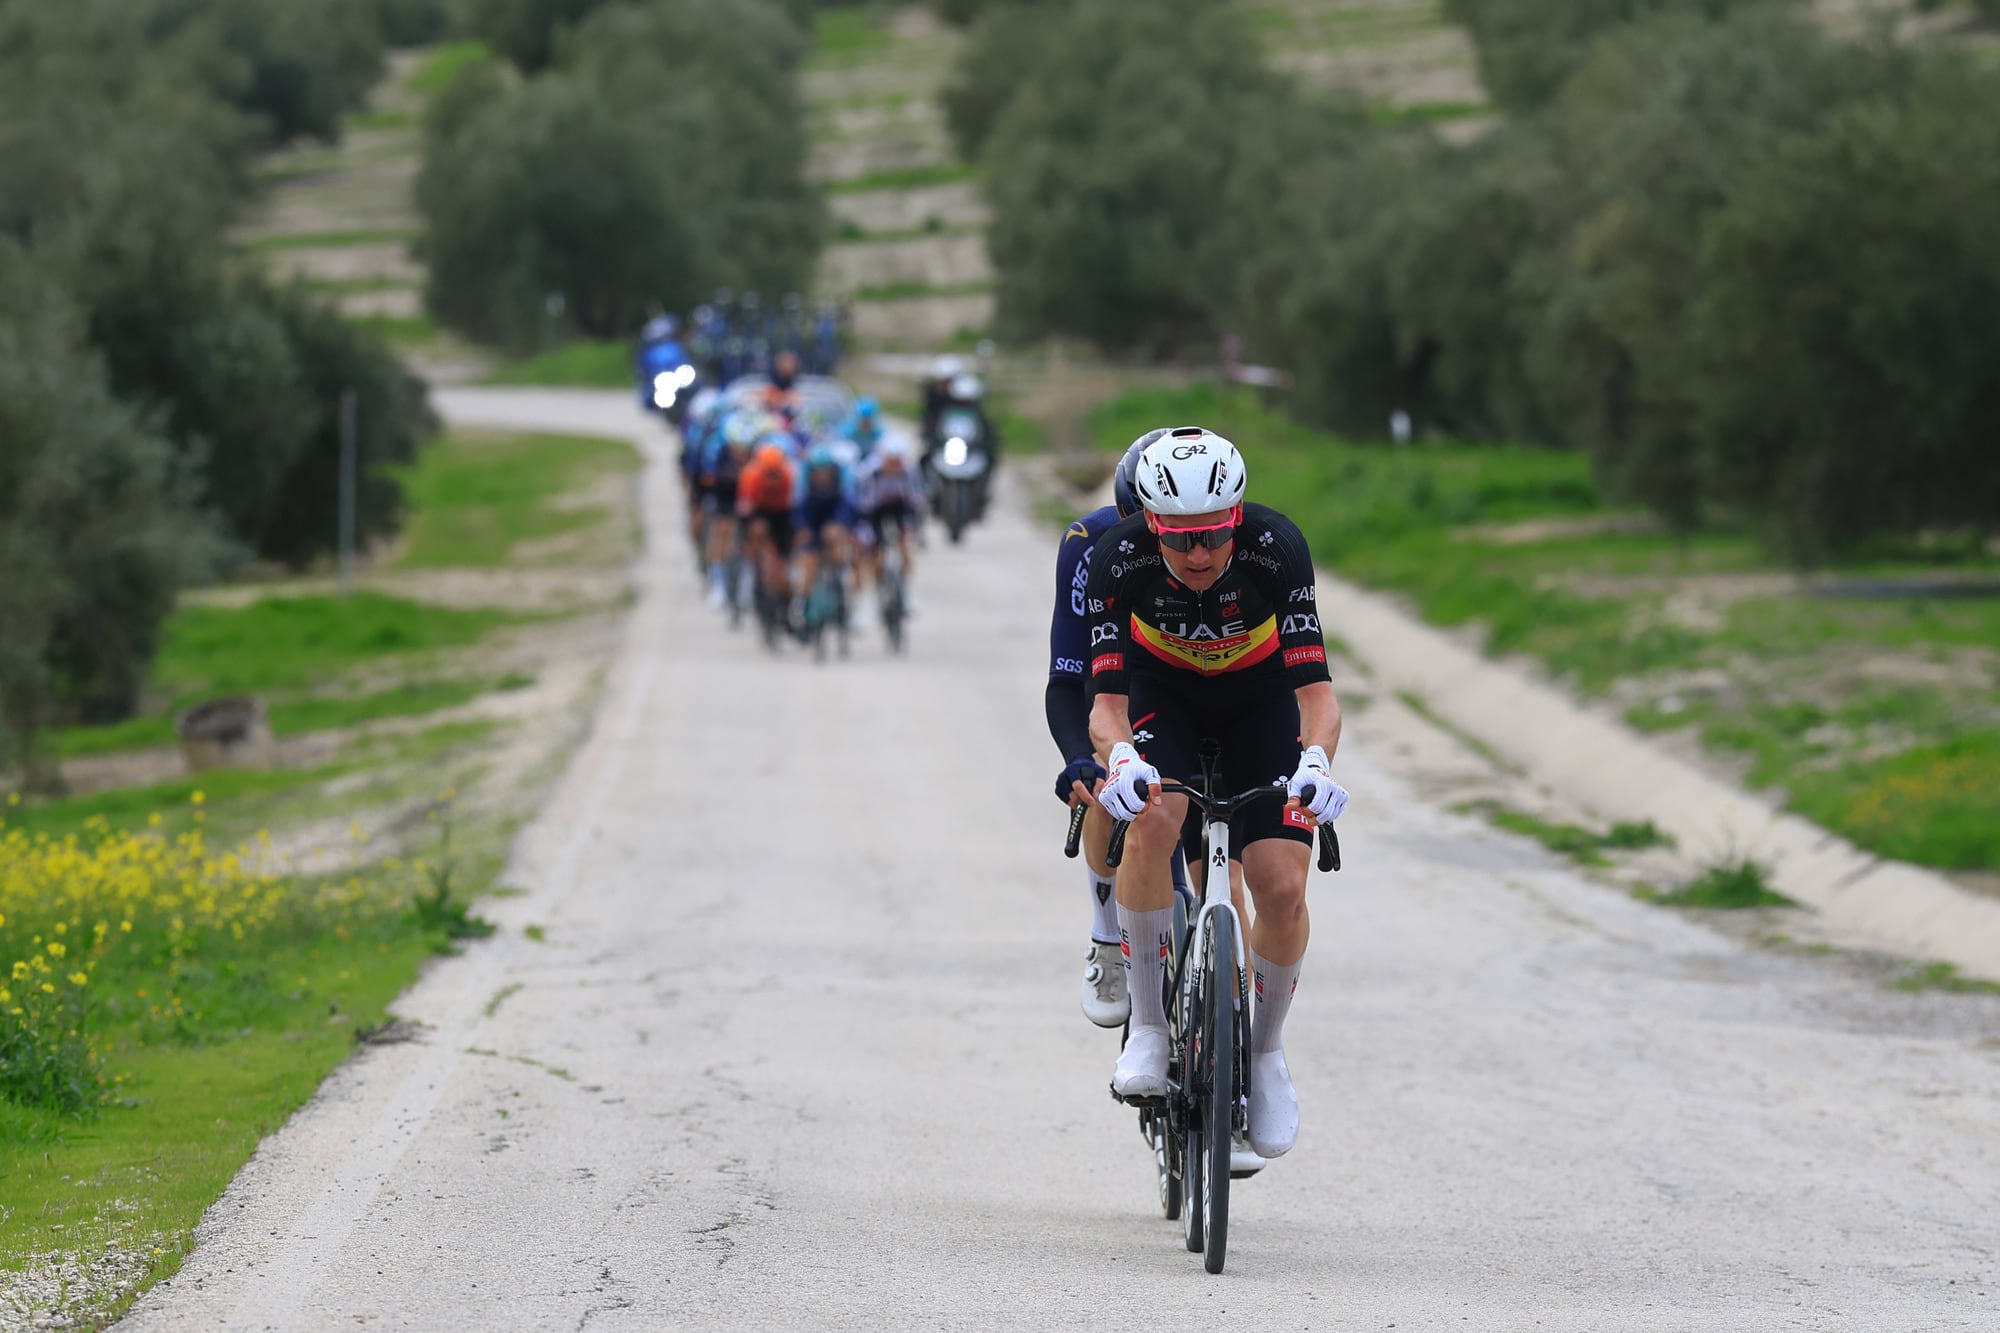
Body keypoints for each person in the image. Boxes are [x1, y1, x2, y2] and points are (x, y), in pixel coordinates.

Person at [1084, 427, 1349, 1162]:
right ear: (1151, 524)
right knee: (1153, 816)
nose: (1198, 556)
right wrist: (1125, 757)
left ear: (1236, 517)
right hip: (1163, 698)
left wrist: (1318, 762)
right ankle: (1148, 1025)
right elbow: (1104, 704)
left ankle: (1265, 1054)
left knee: (1281, 885)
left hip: (1259, 704)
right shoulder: (1120, 557)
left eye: (1212, 536)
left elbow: (1318, 693)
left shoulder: (1275, 549)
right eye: (1179, 540)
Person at [1048, 435, 1159, 1027]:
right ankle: (1106, 939)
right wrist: (1078, 758)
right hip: (1113, 673)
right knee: (1104, 770)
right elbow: (1068, 677)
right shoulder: (1087, 545)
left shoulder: (1215, 545)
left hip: (1195, 672)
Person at [852, 432, 925, 621]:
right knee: (873, 554)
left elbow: (916, 500)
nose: (894, 465)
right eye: (890, 460)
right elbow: (862, 506)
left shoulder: (909, 470)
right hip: (873, 510)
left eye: (898, 460)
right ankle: (878, 593)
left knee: (905, 542)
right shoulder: (868, 471)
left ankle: (906, 595)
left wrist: (912, 527)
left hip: (900, 508)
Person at [792, 445, 858, 626]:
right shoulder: (803, 481)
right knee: (809, 562)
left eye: (825, 471)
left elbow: (847, 506)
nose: (822, 475)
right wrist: (803, 528)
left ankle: (843, 594)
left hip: (833, 517)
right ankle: (802, 602)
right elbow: (799, 509)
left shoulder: (842, 480)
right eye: (818, 471)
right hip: (812, 518)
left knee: (840, 550)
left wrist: (840, 525)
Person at [735, 440, 800, 612]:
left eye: (775, 474)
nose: (772, 478)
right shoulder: (750, 475)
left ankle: (787, 597)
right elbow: (745, 508)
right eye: (768, 474)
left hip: (782, 513)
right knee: (755, 535)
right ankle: (748, 578)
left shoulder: (789, 475)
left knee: (787, 554)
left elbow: (797, 507)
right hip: (759, 510)